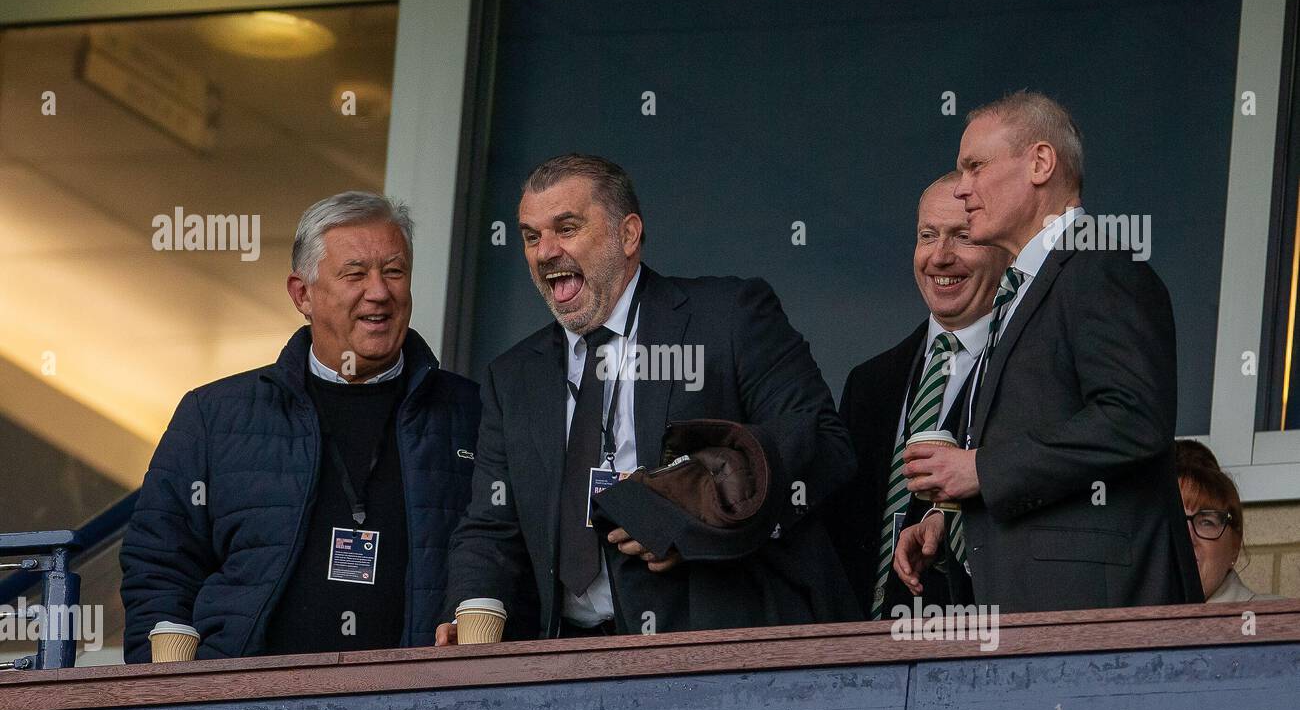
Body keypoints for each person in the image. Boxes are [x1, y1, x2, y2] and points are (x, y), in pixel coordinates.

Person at [437, 153, 859, 641]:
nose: (545, 251)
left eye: (566, 228)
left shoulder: (728, 318)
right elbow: (492, 526)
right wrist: (472, 622)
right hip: (569, 659)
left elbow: (822, 446)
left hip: (719, 644)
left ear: (628, 234)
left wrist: (691, 511)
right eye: (531, 237)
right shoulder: (513, 376)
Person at [120, 192, 481, 661]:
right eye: (355, 273)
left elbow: (507, 556)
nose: (379, 291)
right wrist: (170, 700)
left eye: (394, 271)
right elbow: (158, 566)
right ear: (302, 294)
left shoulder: (473, 413)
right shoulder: (213, 415)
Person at [894, 91, 1201, 611]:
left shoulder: (1100, 265)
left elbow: (1133, 419)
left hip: (1099, 616)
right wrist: (952, 520)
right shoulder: (1025, 288)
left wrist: (981, 471)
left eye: (974, 167)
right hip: (1037, 610)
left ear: (1040, 162)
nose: (963, 190)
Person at [830, 171, 1009, 618]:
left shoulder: (1025, 371)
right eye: (927, 235)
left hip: (974, 639)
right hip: (858, 648)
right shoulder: (869, 382)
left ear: (1005, 251)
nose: (940, 257)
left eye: (963, 236)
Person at [1178, 458, 1277, 603]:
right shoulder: (1133, 615)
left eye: (1206, 522)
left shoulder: (1281, 618)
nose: (1188, 538)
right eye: (1175, 522)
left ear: (1235, 547)